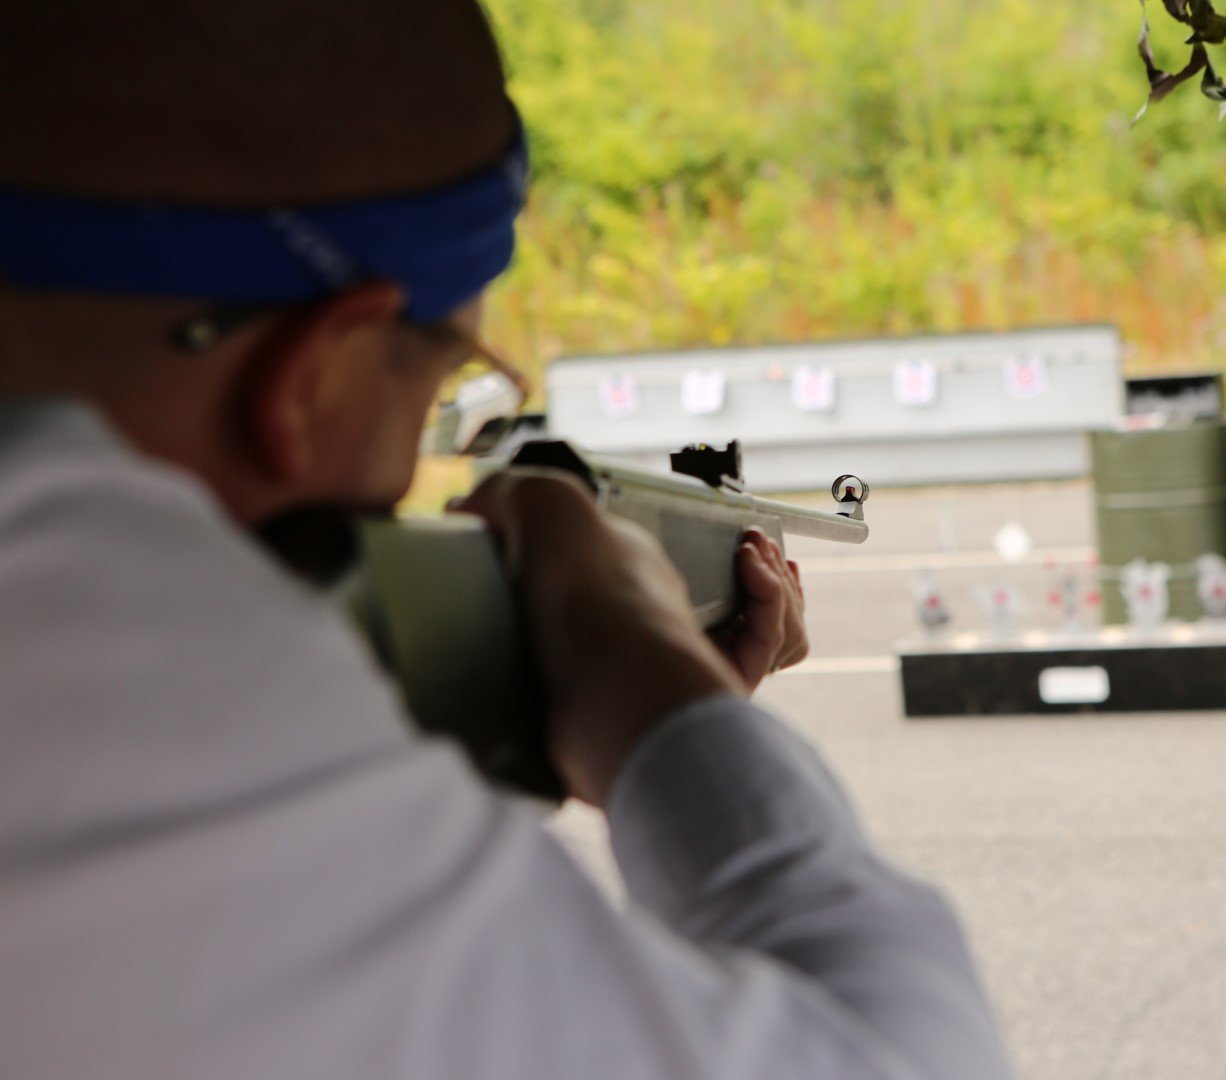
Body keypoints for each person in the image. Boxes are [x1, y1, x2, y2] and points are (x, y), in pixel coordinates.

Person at [0, 3, 1014, 1079]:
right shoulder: (105, 636)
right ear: (314, 374)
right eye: (441, 381)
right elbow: (903, 1054)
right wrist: (648, 678)